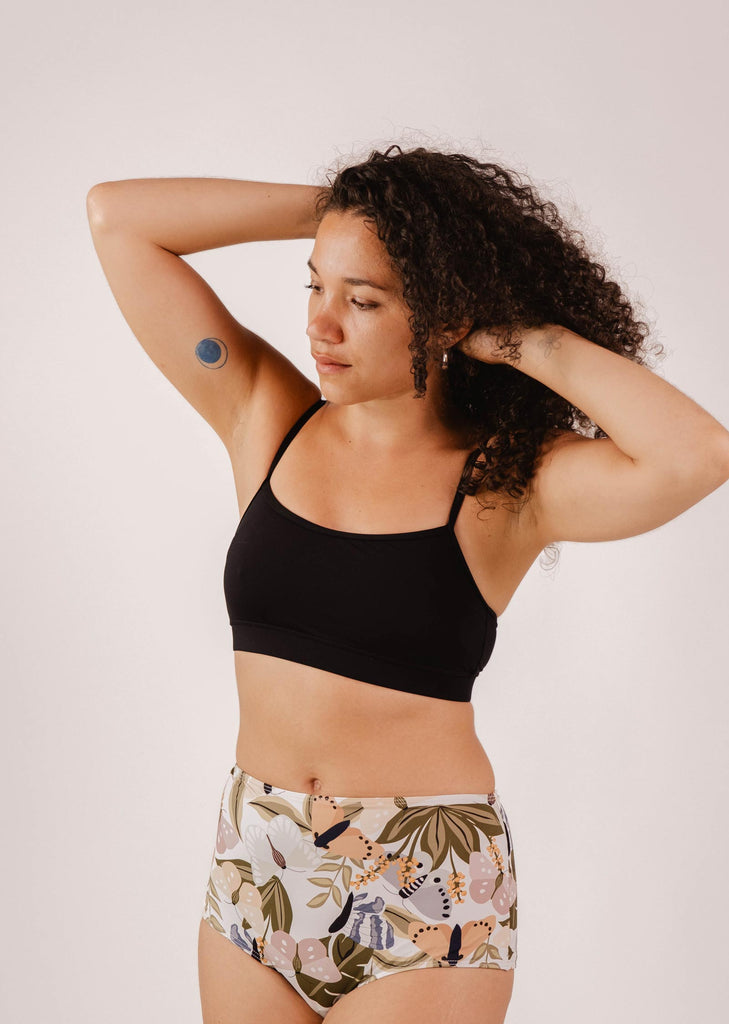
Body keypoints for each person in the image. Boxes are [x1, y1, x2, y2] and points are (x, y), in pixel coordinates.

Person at [86, 144, 729, 1024]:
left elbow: (696, 455)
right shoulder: (266, 418)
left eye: (363, 300)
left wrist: (515, 335)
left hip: (419, 886)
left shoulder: (507, 483)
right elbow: (119, 219)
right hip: (258, 862)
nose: (322, 324)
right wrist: (351, 210)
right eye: (314, 286)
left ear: (441, 315)